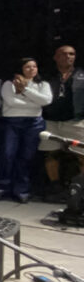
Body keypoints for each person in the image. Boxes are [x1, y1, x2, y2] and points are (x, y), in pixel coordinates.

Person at [0, 58, 52, 203]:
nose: (32, 69)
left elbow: (46, 101)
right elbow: (11, 102)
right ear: (20, 68)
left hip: (33, 123)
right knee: (7, 154)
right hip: (12, 122)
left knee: (26, 157)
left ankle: (21, 189)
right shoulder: (9, 83)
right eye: (28, 67)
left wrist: (25, 90)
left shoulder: (42, 84)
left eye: (34, 66)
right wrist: (35, 103)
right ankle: (2, 186)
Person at [41, 45, 84, 196]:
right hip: (51, 121)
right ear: (55, 57)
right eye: (64, 54)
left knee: (82, 155)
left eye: (72, 54)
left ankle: (82, 188)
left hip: (76, 120)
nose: (68, 57)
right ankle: (55, 187)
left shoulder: (81, 74)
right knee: (51, 154)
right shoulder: (47, 75)